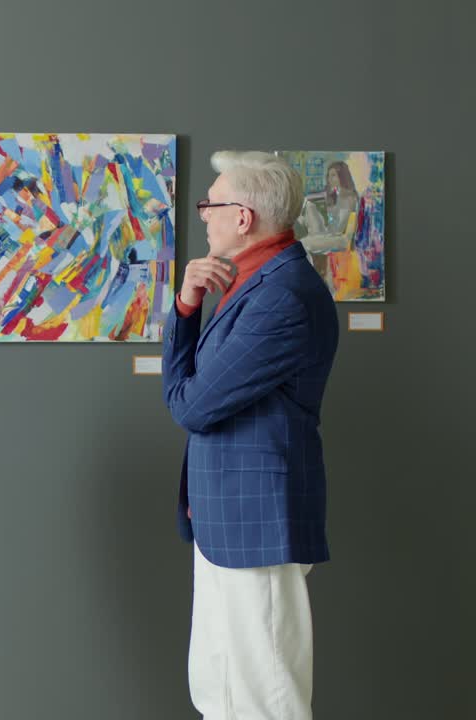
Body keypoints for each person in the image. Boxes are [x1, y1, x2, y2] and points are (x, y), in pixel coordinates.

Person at [164, 151, 339, 719]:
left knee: (266, 695)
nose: (204, 216)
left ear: (242, 217)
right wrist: (187, 308)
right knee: (220, 687)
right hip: (227, 522)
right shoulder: (256, 282)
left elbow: (191, 405)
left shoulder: (282, 295)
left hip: (254, 524)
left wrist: (189, 313)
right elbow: (193, 398)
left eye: (210, 204)